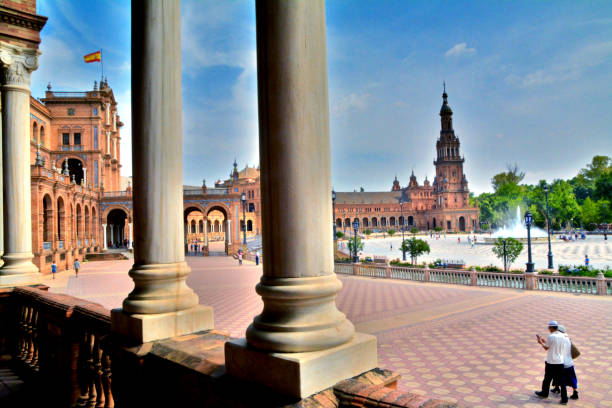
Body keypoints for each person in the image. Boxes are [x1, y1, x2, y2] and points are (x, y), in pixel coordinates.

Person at [535, 320, 569, 404]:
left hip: (551, 362)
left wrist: (540, 343)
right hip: (560, 362)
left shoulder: (551, 336)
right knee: (562, 381)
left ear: (551, 327)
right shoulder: (563, 336)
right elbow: (553, 345)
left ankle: (544, 393)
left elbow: (546, 348)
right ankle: (564, 399)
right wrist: (544, 341)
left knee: (547, 379)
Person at [551, 325, 579, 400]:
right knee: (572, 378)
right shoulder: (568, 339)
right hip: (570, 363)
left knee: (557, 376)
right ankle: (575, 392)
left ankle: (557, 389)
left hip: (561, 363)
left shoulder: (559, 339)